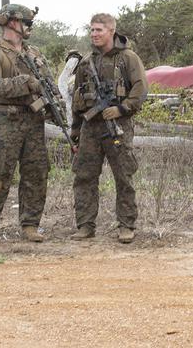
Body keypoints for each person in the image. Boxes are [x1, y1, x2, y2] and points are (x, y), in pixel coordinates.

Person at [0, 4, 54, 247]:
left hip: (34, 122)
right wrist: (23, 82)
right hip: (6, 122)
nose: (29, 26)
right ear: (11, 23)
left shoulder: (34, 54)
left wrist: (52, 101)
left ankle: (30, 224)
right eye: (25, 22)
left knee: (36, 173)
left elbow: (48, 83)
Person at [70, 13, 148, 244]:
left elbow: (140, 89)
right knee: (84, 176)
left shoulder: (128, 58)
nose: (94, 34)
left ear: (111, 31)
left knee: (124, 176)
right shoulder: (85, 62)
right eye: (92, 30)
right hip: (90, 127)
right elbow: (78, 97)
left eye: (99, 30)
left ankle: (126, 225)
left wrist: (122, 109)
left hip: (117, 126)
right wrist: (75, 128)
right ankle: (85, 225)